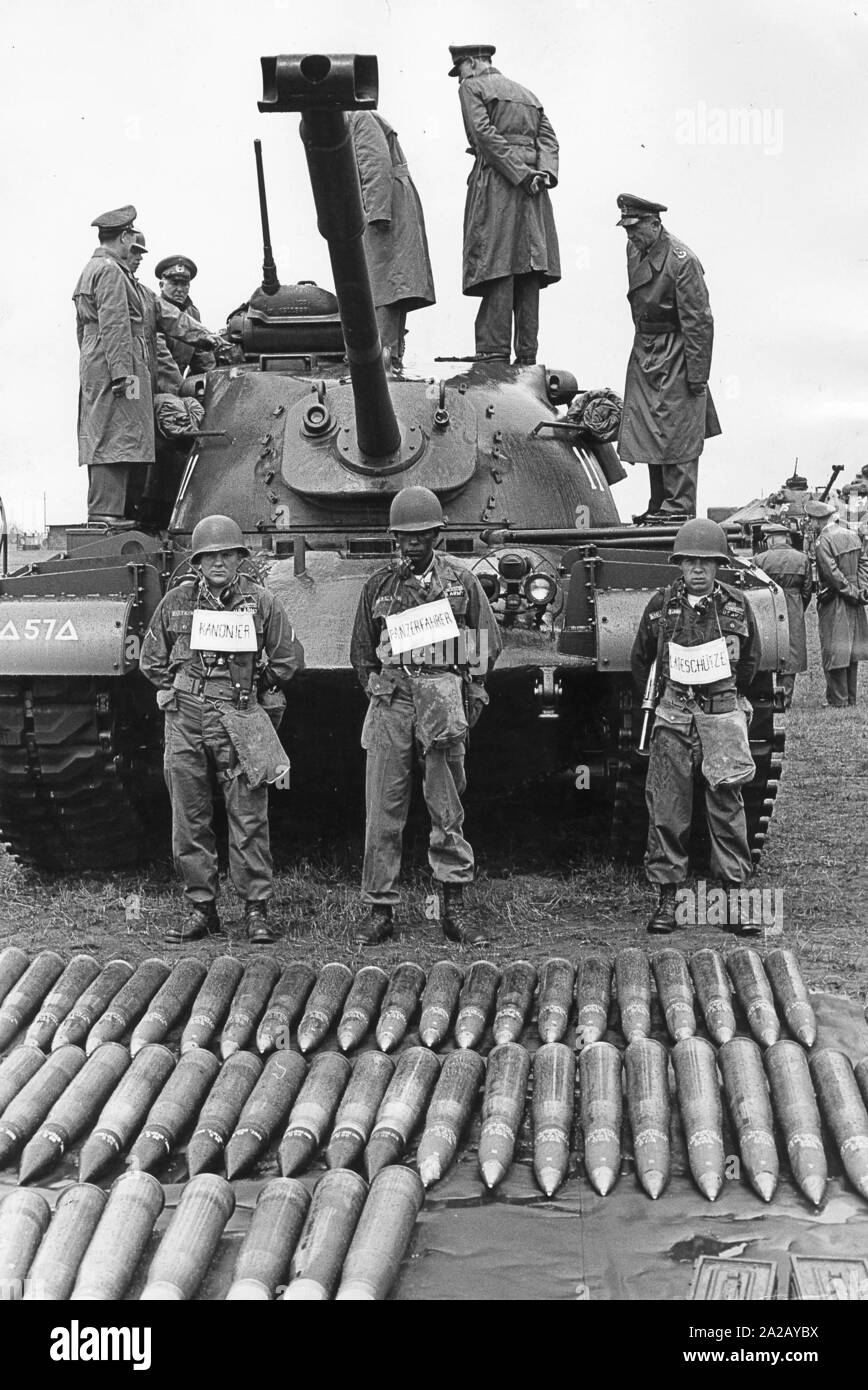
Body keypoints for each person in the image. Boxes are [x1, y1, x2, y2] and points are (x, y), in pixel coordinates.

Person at [139, 515, 305, 943]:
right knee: (189, 814)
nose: (219, 562)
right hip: (186, 717)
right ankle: (201, 908)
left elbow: (287, 657)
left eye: (227, 554)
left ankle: (255, 909)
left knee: (248, 813)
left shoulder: (260, 602)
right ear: (197, 561)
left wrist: (259, 685)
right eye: (210, 555)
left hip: (240, 715)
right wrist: (175, 688)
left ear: (239, 558)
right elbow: (151, 657)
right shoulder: (177, 602)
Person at [350, 486, 502, 946]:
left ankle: (453, 905)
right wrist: (381, 689)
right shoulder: (378, 585)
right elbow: (361, 653)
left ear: (437, 533)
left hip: (441, 697)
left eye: (423, 534)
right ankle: (379, 908)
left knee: (446, 805)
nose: (414, 542)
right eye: (406, 535)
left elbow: (484, 642)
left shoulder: (461, 582)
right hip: (393, 701)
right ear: (395, 537)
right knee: (382, 808)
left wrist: (471, 690)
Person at [631, 518, 760, 934]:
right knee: (668, 807)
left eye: (707, 562)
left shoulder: (737, 605)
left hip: (721, 715)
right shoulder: (661, 605)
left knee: (727, 805)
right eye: (690, 562)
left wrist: (725, 701)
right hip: (674, 714)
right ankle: (668, 900)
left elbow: (751, 662)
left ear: (719, 565)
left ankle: (736, 899)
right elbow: (642, 659)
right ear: (680, 565)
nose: (698, 570)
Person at [74, 208, 222, 523]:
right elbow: (114, 327)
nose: (139, 255)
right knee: (114, 439)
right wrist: (122, 379)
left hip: (120, 371)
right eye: (135, 245)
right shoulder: (109, 272)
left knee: (129, 440)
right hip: (119, 372)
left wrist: (209, 338)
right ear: (124, 237)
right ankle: (106, 514)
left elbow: (168, 315)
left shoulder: (125, 281)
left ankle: (124, 512)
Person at [448, 43, 560, 365]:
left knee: (496, 264)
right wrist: (544, 174)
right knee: (529, 267)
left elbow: (483, 135)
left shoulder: (472, 87)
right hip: (534, 190)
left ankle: (493, 358)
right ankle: (527, 358)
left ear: (471, 63)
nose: (459, 80)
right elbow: (550, 139)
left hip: (498, 183)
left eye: (460, 72)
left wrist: (521, 174)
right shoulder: (528, 93)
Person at [615, 194, 721, 523]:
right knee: (650, 431)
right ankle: (659, 503)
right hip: (646, 349)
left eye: (635, 229)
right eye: (627, 230)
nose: (630, 236)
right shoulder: (635, 249)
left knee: (678, 432)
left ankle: (678, 509)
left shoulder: (682, 261)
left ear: (655, 224)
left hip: (676, 351)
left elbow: (699, 322)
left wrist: (697, 376)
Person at [347, 110, 435, 373]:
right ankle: (390, 353)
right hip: (388, 201)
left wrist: (377, 214)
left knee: (383, 283)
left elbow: (374, 164)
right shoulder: (361, 117)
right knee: (389, 283)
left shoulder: (359, 117)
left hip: (384, 204)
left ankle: (386, 352)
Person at [806, 499, 868, 707]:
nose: (810, 524)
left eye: (812, 520)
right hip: (855, 600)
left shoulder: (823, 541)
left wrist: (850, 592)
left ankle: (837, 700)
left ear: (817, 520)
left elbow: (832, 574)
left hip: (835, 600)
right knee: (851, 650)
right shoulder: (851, 535)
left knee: (834, 649)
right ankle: (851, 698)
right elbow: (863, 564)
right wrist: (860, 591)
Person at [753, 523, 812, 709]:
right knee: (791, 651)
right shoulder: (802, 559)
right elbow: (807, 590)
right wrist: (798, 606)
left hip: (767, 606)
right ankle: (784, 699)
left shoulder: (760, 559)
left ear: (770, 539)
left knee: (767, 647)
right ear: (786, 538)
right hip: (793, 606)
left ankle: (766, 697)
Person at [154, 255, 216, 374]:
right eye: (175, 283)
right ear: (161, 285)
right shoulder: (154, 310)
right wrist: (179, 389)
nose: (180, 289)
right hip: (154, 383)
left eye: (184, 284)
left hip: (177, 385)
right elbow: (161, 361)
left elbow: (202, 357)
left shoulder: (192, 313)